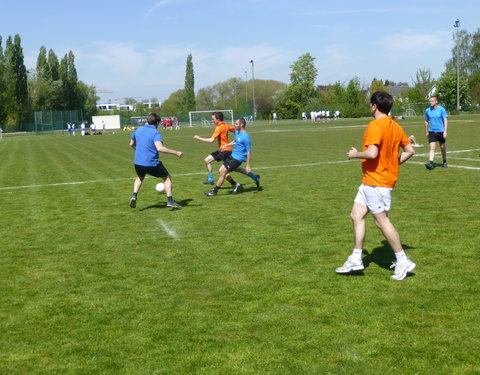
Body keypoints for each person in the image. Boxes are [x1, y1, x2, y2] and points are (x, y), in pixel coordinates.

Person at [335, 91, 416, 281]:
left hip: (377, 183)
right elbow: (410, 150)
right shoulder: (395, 126)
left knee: (381, 222)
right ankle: (356, 258)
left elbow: (372, 153)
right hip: (370, 181)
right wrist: (392, 164)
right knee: (356, 215)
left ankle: (403, 260)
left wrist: (355, 154)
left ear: (374, 106)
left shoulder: (375, 125)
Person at [129, 112, 183, 209]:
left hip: (138, 162)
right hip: (151, 163)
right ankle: (170, 201)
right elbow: (160, 148)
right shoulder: (155, 132)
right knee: (167, 177)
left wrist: (141, 150)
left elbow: (131, 144)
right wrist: (176, 152)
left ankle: (134, 195)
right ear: (157, 122)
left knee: (140, 177)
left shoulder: (138, 130)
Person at [205, 117, 255, 196]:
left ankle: (214, 191)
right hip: (233, 155)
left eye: (236, 124)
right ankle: (236, 184)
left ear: (241, 124)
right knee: (221, 170)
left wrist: (248, 165)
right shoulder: (238, 132)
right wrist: (225, 146)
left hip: (238, 158)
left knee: (223, 172)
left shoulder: (245, 137)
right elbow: (235, 141)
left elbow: (249, 151)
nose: (234, 125)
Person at [424, 96, 448, 169]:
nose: (430, 102)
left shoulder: (441, 109)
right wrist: (426, 131)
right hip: (432, 131)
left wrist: (445, 131)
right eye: (430, 101)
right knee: (432, 147)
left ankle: (444, 162)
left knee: (442, 147)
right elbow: (426, 120)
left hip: (440, 131)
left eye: (432, 101)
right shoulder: (427, 110)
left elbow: (445, 120)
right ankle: (431, 163)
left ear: (436, 101)